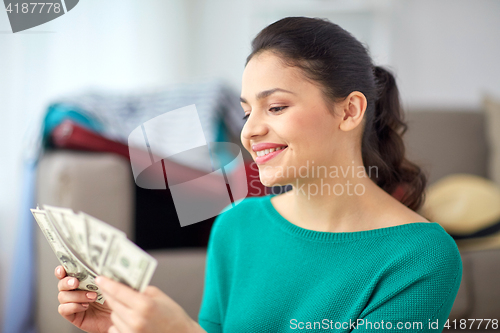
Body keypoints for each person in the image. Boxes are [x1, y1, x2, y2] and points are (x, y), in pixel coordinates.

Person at [55, 16, 462, 333]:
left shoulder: (420, 257)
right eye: (247, 110)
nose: (249, 131)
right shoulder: (235, 226)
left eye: (277, 107)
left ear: (349, 110)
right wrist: (123, 325)